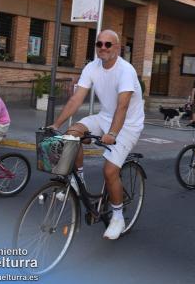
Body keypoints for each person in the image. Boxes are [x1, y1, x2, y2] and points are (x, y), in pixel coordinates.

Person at [48, 29, 144, 241]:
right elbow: (76, 100)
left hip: (128, 124)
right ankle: (77, 179)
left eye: (108, 44)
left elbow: (123, 106)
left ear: (117, 48)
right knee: (72, 135)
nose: (102, 47)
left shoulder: (125, 71)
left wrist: (112, 133)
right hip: (105, 116)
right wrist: (56, 124)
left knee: (109, 171)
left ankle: (118, 216)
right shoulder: (92, 67)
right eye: (99, 44)